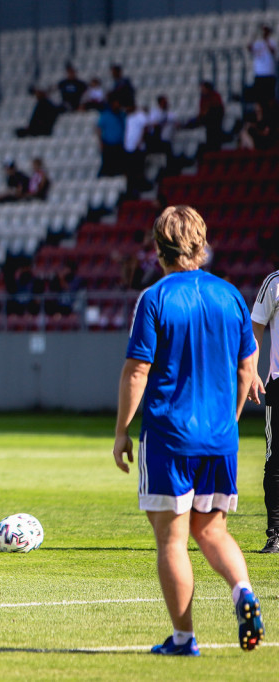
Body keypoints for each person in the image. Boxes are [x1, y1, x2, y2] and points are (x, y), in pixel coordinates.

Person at [113, 205, 264, 655]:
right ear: (201, 243)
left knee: (172, 540)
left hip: (170, 437)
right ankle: (244, 593)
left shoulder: (156, 298)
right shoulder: (231, 295)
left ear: (159, 249)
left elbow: (137, 370)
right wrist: (229, 422)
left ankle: (183, 639)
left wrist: (122, 430)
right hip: (220, 439)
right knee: (212, 531)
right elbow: (246, 370)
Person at [249, 268, 279, 553]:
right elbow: (255, 326)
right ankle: (276, 533)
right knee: (275, 461)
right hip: (278, 383)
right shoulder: (274, 282)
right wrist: (252, 371)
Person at [189, 81, 225, 154]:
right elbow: (202, 111)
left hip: (215, 121)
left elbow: (218, 109)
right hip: (207, 123)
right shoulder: (203, 98)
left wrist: (208, 112)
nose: (202, 90)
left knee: (215, 138)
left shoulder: (215, 96)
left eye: (203, 88)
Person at [122, 103, 149, 197]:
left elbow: (145, 128)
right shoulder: (127, 117)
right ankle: (131, 190)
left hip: (138, 147)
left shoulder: (140, 115)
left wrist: (140, 141)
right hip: (128, 147)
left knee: (138, 169)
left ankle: (139, 188)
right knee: (130, 170)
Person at [96, 95, 126, 177]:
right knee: (108, 163)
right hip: (108, 143)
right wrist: (101, 142)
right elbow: (99, 128)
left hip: (119, 143)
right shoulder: (106, 115)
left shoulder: (122, 115)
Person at [248, 24, 277, 106]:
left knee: (270, 97)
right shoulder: (258, 43)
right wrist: (254, 36)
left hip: (269, 73)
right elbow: (249, 47)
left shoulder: (272, 42)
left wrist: (266, 40)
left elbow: (273, 51)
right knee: (259, 98)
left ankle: (271, 115)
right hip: (259, 73)